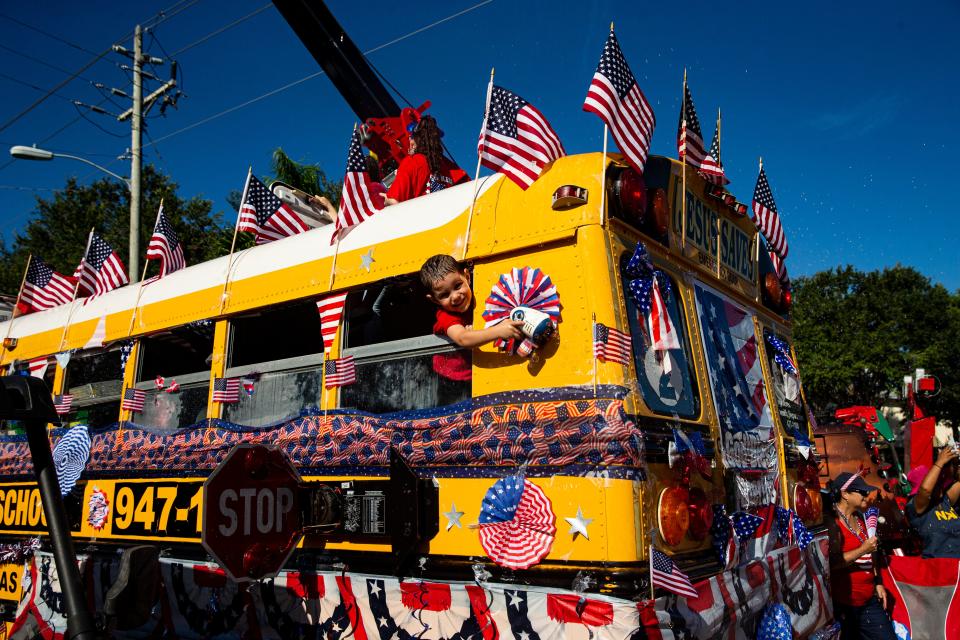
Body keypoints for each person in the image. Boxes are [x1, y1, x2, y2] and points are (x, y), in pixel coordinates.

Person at [420, 254, 523, 380]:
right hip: (450, 378)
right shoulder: (446, 316)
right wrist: (499, 331)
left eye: (458, 286)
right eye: (445, 295)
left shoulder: (481, 297)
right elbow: (463, 339)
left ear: (467, 277)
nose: (455, 296)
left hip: (474, 371)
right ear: (435, 300)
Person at [826, 471, 895, 640]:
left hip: (869, 600)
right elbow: (832, 563)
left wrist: (878, 581)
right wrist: (862, 550)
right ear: (845, 494)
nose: (867, 496)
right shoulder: (831, 522)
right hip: (844, 605)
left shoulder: (861, 518)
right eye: (862, 492)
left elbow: (873, 553)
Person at [385, 116, 468, 205]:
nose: (409, 142)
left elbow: (394, 201)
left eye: (410, 138)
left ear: (415, 140)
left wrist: (386, 199)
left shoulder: (412, 162)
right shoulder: (447, 169)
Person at [905, 446, 960, 558]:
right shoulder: (915, 507)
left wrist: (955, 461)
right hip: (937, 567)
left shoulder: (944, 501)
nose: (939, 485)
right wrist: (939, 462)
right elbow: (925, 490)